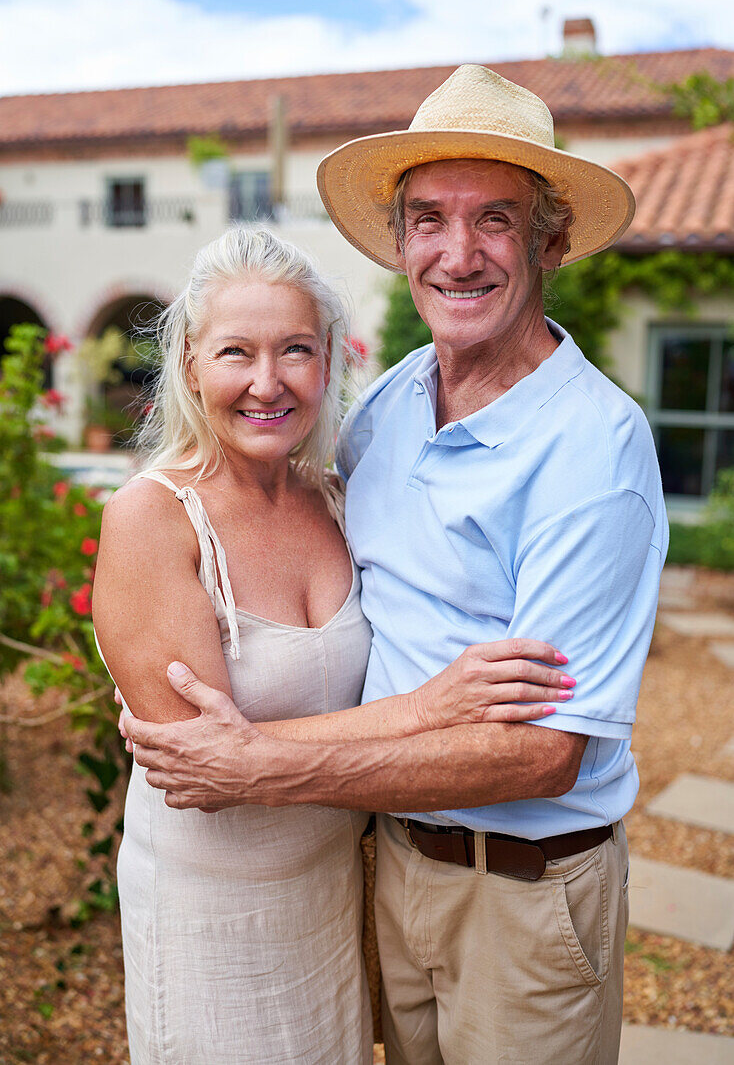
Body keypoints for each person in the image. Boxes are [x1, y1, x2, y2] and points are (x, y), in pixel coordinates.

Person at [123, 66, 668, 1064]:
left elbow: (541, 753)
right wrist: (429, 705)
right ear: (401, 240)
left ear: (547, 241)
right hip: (378, 872)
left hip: (522, 895)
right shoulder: (387, 409)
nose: (456, 253)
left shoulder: (595, 451)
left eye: (493, 220)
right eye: (428, 218)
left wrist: (259, 763)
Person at [94, 223, 572, 1064]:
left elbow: (253, 745)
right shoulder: (154, 518)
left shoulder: (339, 499)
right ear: (191, 364)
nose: (267, 383)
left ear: (329, 360)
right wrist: (428, 707)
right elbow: (205, 773)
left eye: (296, 351)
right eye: (237, 352)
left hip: (335, 900)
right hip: (211, 912)